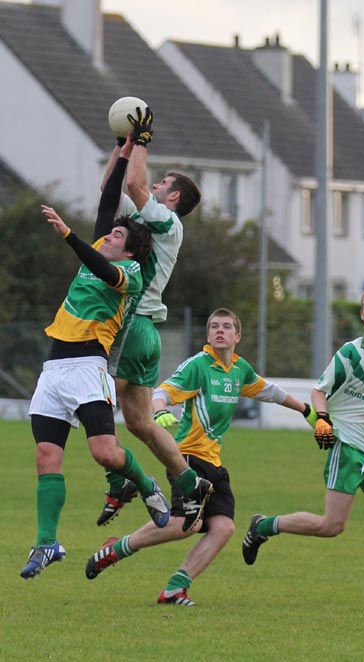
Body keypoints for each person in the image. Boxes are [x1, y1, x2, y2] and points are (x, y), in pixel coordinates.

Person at [84, 307, 316, 606]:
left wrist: (306, 411)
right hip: (187, 460)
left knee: (224, 527)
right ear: (208, 335)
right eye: (215, 326)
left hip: (214, 463)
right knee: (186, 524)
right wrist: (161, 410)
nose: (220, 330)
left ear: (238, 335)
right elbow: (162, 391)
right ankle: (116, 549)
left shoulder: (239, 369)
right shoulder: (198, 365)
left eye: (227, 326)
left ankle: (174, 589)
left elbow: (269, 391)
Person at [242, 286, 364, 608]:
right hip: (347, 447)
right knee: (331, 526)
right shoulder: (350, 353)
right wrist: (322, 420)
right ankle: (264, 525)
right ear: (362, 314)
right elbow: (319, 391)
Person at [20, 169, 169, 580]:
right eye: (108, 235)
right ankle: (47, 542)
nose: (108, 237)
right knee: (45, 457)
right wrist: (123, 150)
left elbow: (103, 270)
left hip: (89, 368)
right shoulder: (103, 251)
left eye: (117, 237)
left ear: (130, 252)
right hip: (54, 370)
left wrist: (69, 235)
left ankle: (145, 483)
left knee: (105, 452)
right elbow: (108, 201)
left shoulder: (130, 275)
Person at [95, 107, 212, 532]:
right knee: (141, 422)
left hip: (131, 326)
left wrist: (141, 143)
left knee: (91, 400)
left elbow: (136, 183)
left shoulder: (166, 221)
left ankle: (119, 481)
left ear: (173, 197)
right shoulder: (147, 219)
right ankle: (188, 481)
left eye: (164, 184)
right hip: (146, 332)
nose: (155, 186)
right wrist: (121, 146)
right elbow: (113, 188)